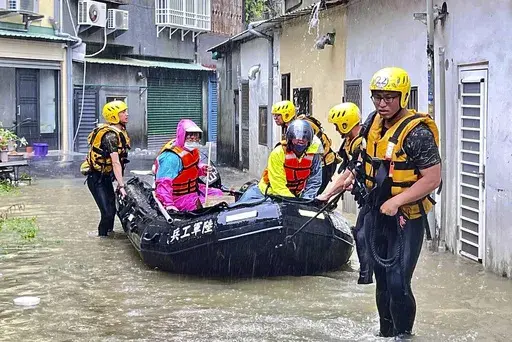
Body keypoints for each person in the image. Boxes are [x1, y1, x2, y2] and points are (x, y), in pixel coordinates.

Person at [318, 67, 442, 338]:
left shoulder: (417, 133)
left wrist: (398, 201)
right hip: (377, 212)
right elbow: (359, 164)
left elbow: (432, 179)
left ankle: (404, 335)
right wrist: (329, 192)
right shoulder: (372, 122)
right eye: (377, 97)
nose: (382, 103)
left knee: (399, 281)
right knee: (382, 282)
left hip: (406, 216)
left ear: (403, 96)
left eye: (389, 97)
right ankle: (385, 334)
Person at [318, 102, 373, 285]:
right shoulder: (350, 142)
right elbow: (344, 175)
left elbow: (348, 175)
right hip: (367, 198)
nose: (335, 129)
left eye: (337, 125)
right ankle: (366, 275)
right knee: (361, 233)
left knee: (362, 234)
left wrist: (324, 196)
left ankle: (366, 278)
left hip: (375, 198)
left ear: (345, 123)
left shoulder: (361, 143)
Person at [236, 119, 322, 203]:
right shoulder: (278, 153)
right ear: (290, 138)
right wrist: (295, 202)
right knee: (241, 208)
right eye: (297, 138)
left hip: (295, 196)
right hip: (268, 193)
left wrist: (305, 200)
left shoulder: (314, 156)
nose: (301, 141)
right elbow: (278, 186)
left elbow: (315, 181)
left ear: (309, 141)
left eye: (305, 138)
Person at [81, 100, 130, 237]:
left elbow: (121, 161)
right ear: (114, 115)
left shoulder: (119, 132)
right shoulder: (110, 136)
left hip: (106, 177)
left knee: (112, 210)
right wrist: (121, 185)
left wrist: (117, 181)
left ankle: (109, 234)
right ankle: (102, 239)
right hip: (96, 179)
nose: (127, 114)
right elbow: (115, 163)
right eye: (123, 112)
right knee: (107, 212)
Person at [153, 119, 222, 212]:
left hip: (193, 191)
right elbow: (163, 184)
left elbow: (189, 170)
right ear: (182, 135)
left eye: (196, 136)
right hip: (177, 197)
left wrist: (201, 170)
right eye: (190, 136)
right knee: (201, 206)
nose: (194, 139)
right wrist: (169, 204)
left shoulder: (193, 151)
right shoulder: (171, 158)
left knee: (218, 194)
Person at [271, 100, 339, 193]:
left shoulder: (302, 126)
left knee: (312, 195)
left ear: (286, 115)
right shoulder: (292, 127)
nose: (275, 118)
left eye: (278, 115)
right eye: (274, 115)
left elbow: (317, 148)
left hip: (324, 163)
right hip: (316, 163)